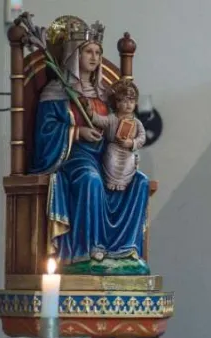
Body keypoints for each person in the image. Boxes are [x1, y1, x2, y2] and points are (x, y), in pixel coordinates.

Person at [30, 18, 150, 275]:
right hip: (75, 159)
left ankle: (125, 249)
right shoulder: (56, 92)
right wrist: (77, 131)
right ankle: (89, 251)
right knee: (91, 180)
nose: (95, 57)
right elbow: (44, 134)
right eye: (88, 51)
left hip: (108, 158)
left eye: (98, 52)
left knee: (139, 181)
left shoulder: (106, 94)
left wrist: (124, 140)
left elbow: (119, 123)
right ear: (75, 54)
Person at [85, 79, 147, 191]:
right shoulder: (112, 118)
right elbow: (101, 121)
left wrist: (131, 143)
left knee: (129, 162)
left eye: (131, 102)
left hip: (128, 151)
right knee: (111, 160)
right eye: (125, 101)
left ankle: (123, 183)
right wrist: (91, 114)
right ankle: (111, 181)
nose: (128, 105)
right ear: (117, 103)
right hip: (114, 148)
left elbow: (142, 137)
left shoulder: (136, 122)